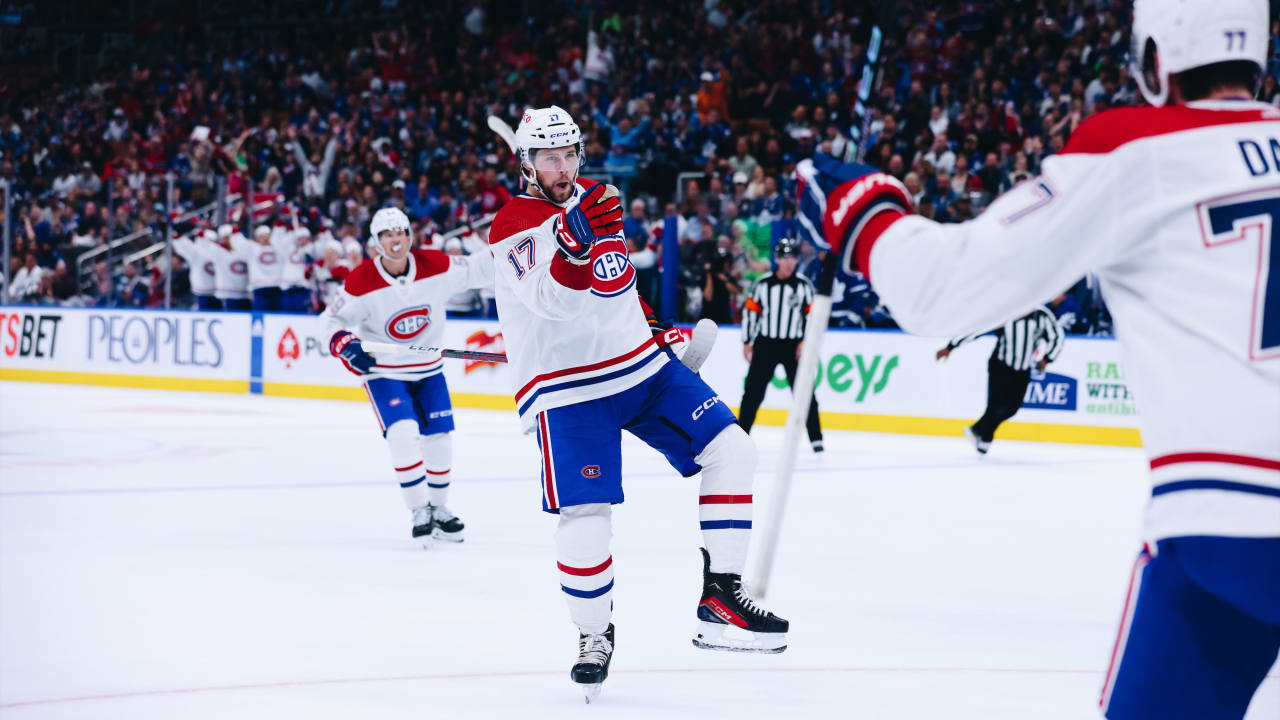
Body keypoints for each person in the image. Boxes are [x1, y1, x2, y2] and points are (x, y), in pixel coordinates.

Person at [801, 2, 1278, 717]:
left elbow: (944, 289)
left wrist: (862, 214)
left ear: (1155, 59)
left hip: (1229, 524)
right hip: (1218, 532)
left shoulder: (1135, 145)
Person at [487, 105, 788, 702]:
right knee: (586, 523)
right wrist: (572, 244)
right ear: (526, 162)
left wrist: (656, 330)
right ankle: (594, 635)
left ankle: (721, 595)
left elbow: (616, 280)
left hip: (640, 366)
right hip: (569, 390)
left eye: (570, 153)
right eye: (551, 157)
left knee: (735, 451)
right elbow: (552, 302)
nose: (565, 166)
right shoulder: (512, 226)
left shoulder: (599, 198)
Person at [322, 207, 493, 546]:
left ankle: (439, 509)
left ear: (409, 236)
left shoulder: (435, 264)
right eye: (386, 235)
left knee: (440, 438)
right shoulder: (360, 281)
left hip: (429, 370)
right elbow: (330, 321)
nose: (394, 240)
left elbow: (478, 270)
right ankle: (419, 511)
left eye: (399, 232)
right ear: (376, 242)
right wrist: (346, 344)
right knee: (402, 434)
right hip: (384, 371)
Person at [935, 306, 1063, 454]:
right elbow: (977, 329)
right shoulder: (1006, 310)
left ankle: (977, 429)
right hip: (1000, 365)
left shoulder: (1041, 315)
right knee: (995, 405)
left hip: (1022, 369)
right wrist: (951, 346)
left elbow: (1057, 337)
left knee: (1012, 408)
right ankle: (985, 441)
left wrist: (1047, 358)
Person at [738, 239, 823, 453]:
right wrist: (748, 341)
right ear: (777, 259)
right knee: (753, 393)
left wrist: (805, 341)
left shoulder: (804, 286)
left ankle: (817, 440)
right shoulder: (762, 285)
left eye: (792, 257)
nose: (788, 262)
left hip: (793, 346)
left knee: (804, 392)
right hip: (765, 343)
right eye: (784, 258)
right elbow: (751, 312)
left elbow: (812, 318)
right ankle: (739, 437)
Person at [204, 224, 251, 311]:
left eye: (231, 236)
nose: (231, 239)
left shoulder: (243, 251)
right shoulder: (218, 252)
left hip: (245, 294)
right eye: (228, 237)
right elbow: (205, 246)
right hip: (228, 294)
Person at [238, 225, 284, 312]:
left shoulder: (278, 249)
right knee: (261, 315)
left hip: (276, 287)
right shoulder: (252, 248)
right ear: (258, 238)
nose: (265, 239)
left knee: (278, 318)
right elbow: (239, 243)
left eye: (267, 236)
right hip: (260, 288)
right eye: (262, 237)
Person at [172, 229, 219, 310]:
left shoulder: (219, 252)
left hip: (218, 291)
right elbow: (184, 247)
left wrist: (177, 236)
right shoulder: (196, 253)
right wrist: (176, 236)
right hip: (202, 291)